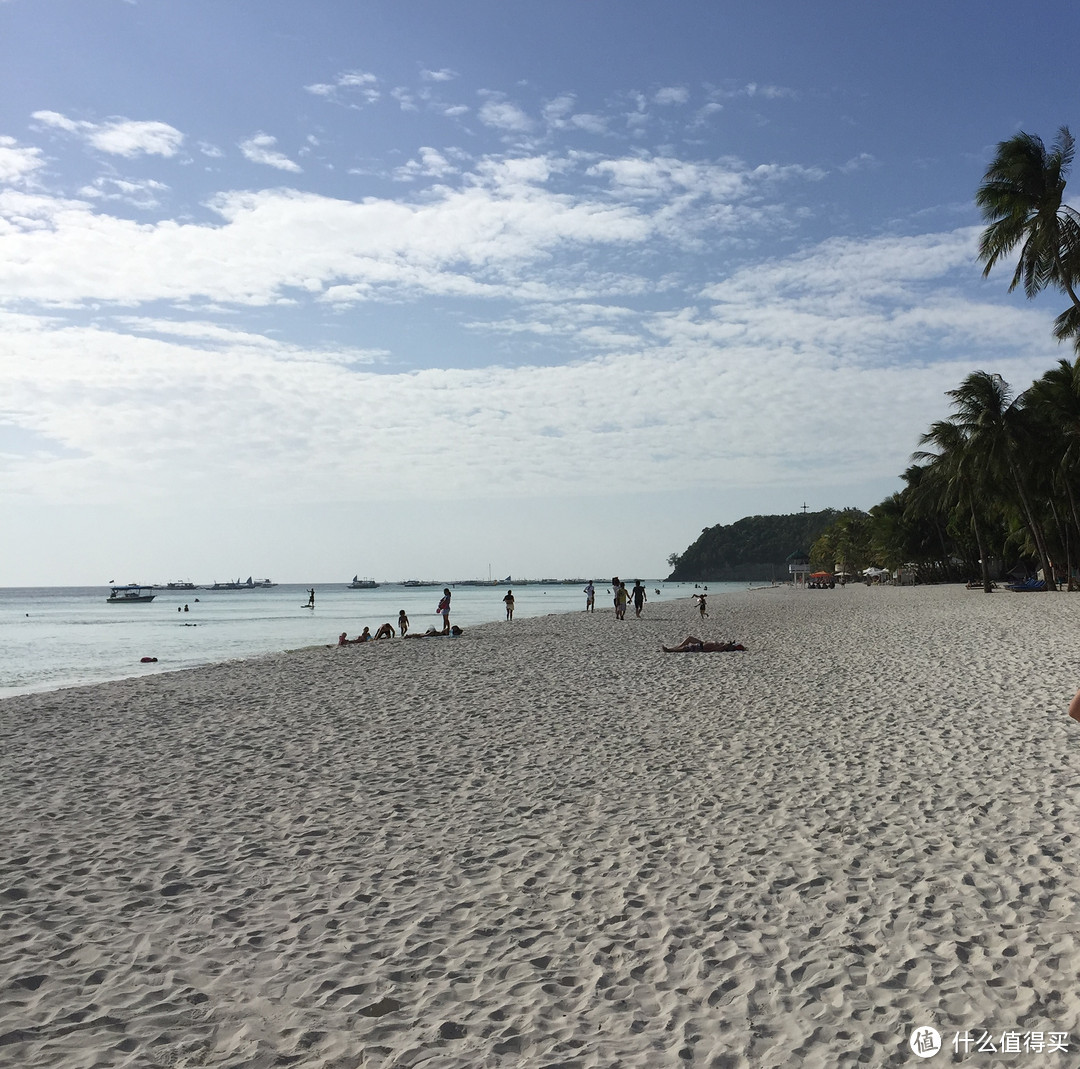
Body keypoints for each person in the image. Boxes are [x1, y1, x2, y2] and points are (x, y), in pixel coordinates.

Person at [662, 635, 746, 653]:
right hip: (702, 643)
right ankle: (674, 647)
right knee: (689, 638)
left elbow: (711, 649)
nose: (729, 643)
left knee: (685, 648)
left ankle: (670, 650)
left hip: (700, 647)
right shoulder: (722, 645)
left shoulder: (722, 648)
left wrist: (724, 645)